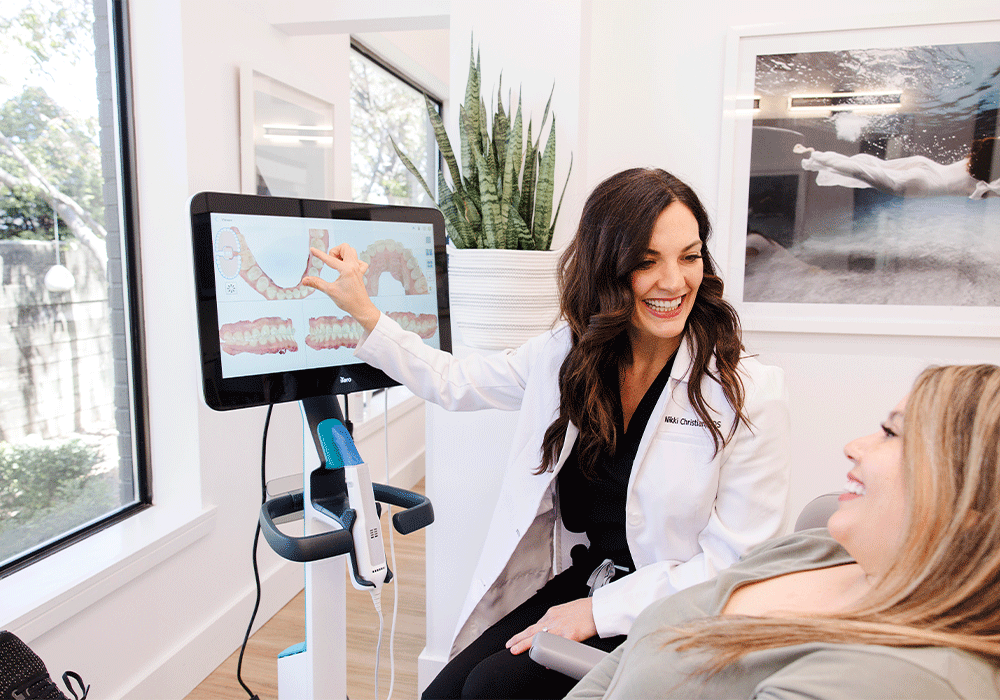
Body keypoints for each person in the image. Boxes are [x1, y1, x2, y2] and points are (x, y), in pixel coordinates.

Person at [303, 168, 791, 699]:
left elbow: (736, 568)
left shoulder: (748, 394)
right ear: (605, 269)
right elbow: (456, 382)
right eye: (646, 262)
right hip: (592, 579)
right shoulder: (571, 357)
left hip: (675, 611)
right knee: (441, 695)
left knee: (490, 692)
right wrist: (367, 314)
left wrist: (596, 613)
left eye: (689, 256)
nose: (674, 282)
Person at [567, 363, 1000, 700]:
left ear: (968, 506)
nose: (854, 446)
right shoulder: (820, 548)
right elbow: (644, 643)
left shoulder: (901, 678)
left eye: (891, 433)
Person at [793, 138, 1000, 199]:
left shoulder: (974, 159)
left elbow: (994, 145)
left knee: (873, 166)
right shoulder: (985, 183)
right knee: (864, 172)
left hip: (926, 165)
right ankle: (815, 155)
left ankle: (818, 155)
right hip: (924, 184)